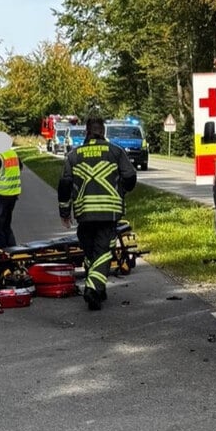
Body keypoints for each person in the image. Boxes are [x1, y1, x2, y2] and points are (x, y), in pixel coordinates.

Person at [57, 116, 137, 310]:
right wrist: (122, 190)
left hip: (84, 212)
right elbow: (130, 176)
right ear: (104, 132)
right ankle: (93, 289)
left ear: (86, 131)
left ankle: (97, 289)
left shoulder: (74, 155)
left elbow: (65, 184)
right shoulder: (116, 151)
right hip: (108, 211)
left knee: (90, 250)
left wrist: (64, 211)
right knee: (102, 252)